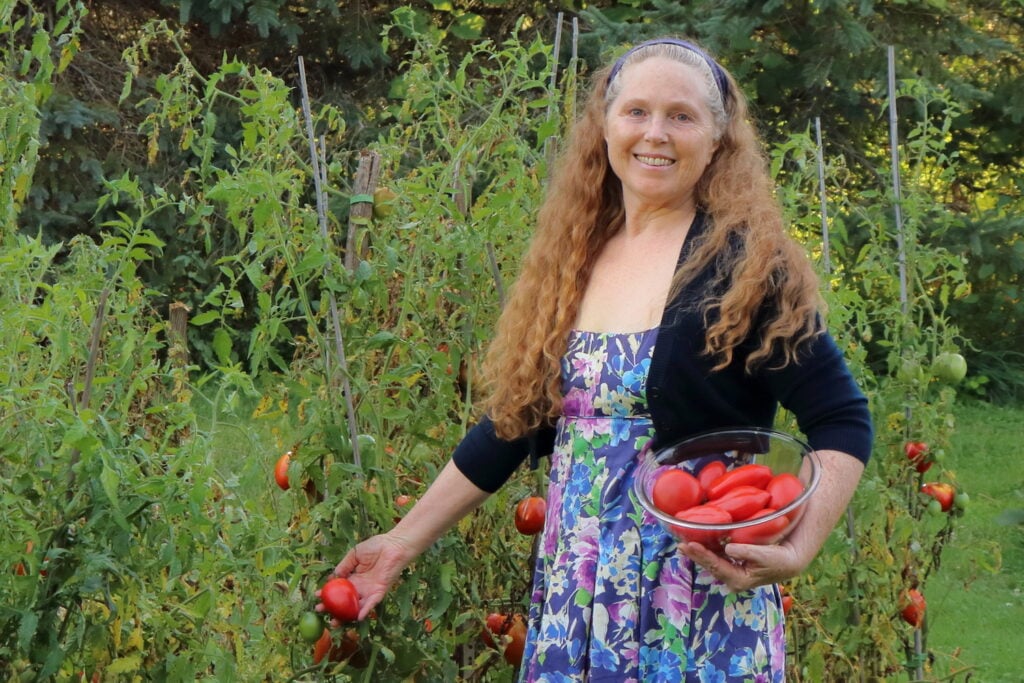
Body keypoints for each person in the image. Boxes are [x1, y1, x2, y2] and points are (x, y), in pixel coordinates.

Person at [323, 37, 873, 681]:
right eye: (636, 111)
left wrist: (800, 547)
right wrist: (400, 543)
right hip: (576, 591)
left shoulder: (749, 267)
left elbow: (841, 418)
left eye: (682, 116)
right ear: (605, 126)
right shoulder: (574, 255)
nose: (655, 134)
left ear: (719, 139)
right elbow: (515, 425)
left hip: (694, 597)